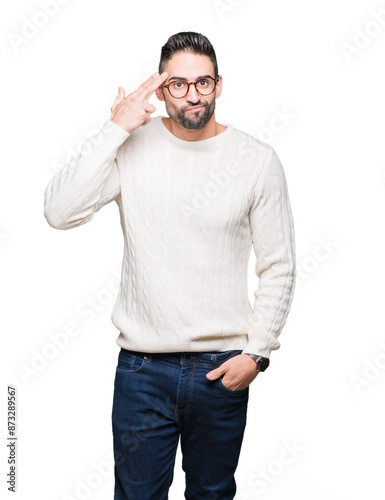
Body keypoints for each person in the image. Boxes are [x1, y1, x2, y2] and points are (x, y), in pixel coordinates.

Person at [43, 31, 296, 500]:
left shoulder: (257, 160)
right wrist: (115, 127)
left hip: (222, 370)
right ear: (160, 91)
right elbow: (60, 212)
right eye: (178, 84)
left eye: (203, 83)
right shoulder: (131, 147)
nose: (193, 94)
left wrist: (256, 354)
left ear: (219, 85)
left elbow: (279, 265)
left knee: (213, 494)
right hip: (142, 373)